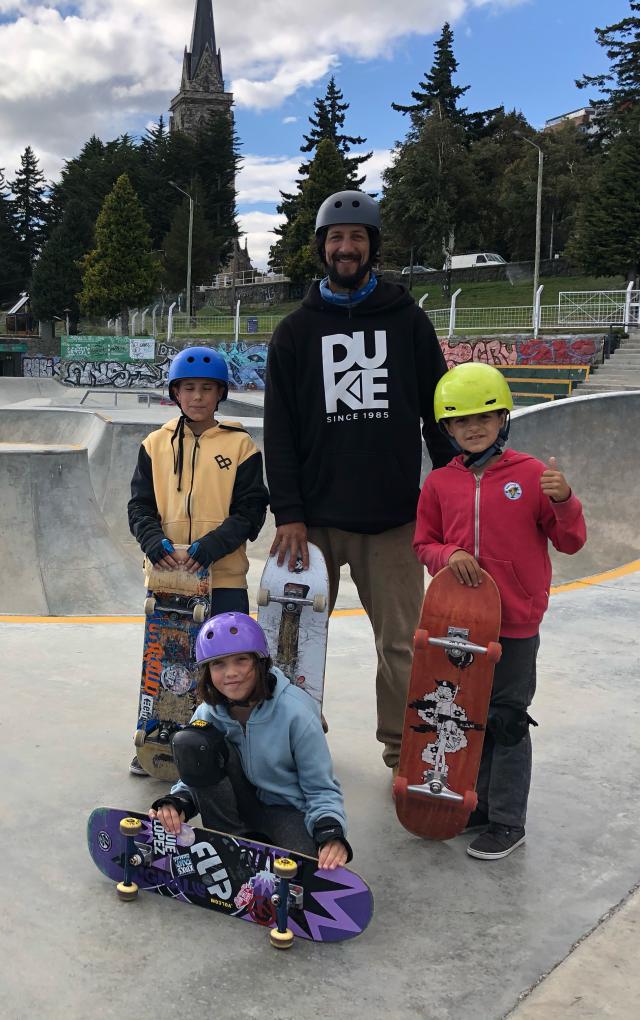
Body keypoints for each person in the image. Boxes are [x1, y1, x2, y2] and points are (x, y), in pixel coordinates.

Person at [262, 190, 453, 777]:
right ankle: (295, 745)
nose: (346, 248)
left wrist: (454, 492)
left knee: (402, 646)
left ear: (372, 246)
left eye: (357, 238)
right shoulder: (295, 331)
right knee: (292, 645)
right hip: (312, 522)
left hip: (393, 519)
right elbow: (280, 429)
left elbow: (437, 412)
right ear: (322, 247)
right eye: (336, 239)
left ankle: (403, 751)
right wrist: (289, 511)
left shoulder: (407, 320)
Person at [413, 362, 586, 860]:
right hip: (459, 622)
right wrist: (450, 555)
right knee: (468, 717)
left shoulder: (532, 475)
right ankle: (480, 806)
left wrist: (566, 501)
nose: (473, 427)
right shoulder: (440, 484)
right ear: (446, 428)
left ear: (503, 418)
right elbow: (424, 543)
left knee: (507, 719)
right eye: (461, 420)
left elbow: (572, 542)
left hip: (514, 623)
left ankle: (510, 822)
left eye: (485, 416)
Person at [127, 346, 269, 776]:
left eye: (207, 389)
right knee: (172, 662)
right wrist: (154, 543)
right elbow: (139, 507)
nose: (198, 397)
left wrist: (210, 547)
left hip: (223, 575)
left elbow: (251, 511)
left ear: (220, 393)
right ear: (175, 392)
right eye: (188, 388)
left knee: (228, 666)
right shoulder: (154, 444)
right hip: (170, 579)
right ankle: (163, 738)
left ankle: (230, 747)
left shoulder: (240, 444)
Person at [149, 613, 351, 870]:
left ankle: (248, 847)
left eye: (241, 660)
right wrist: (177, 803)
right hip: (235, 808)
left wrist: (331, 834)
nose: (231, 673)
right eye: (218, 664)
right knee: (192, 741)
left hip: (286, 810)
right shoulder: (208, 712)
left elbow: (321, 789)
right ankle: (231, 840)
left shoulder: (297, 713)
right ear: (207, 672)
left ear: (260, 662)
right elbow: (197, 771)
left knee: (304, 867)